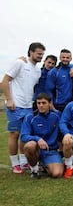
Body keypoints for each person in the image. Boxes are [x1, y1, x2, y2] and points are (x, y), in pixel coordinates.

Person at [1, 42, 45, 173]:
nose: (40, 56)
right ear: (31, 52)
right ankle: (15, 164)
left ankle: (24, 161)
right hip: (15, 105)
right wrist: (9, 99)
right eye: (38, 53)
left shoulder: (37, 70)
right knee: (15, 134)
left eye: (42, 54)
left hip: (28, 106)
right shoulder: (20, 63)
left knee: (25, 134)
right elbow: (4, 80)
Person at [21, 93, 64, 178]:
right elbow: (23, 136)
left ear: (49, 103)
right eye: (39, 103)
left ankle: (44, 165)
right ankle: (34, 170)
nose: (41, 105)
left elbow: (64, 128)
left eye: (44, 103)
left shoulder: (56, 116)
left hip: (51, 151)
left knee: (57, 173)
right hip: (36, 149)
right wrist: (38, 139)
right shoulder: (30, 117)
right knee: (29, 146)